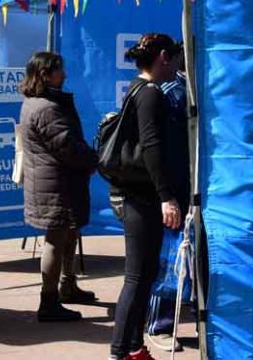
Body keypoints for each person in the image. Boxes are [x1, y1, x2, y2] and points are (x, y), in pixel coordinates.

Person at [109, 34, 183, 360]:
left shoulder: (138, 89)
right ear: (164, 57)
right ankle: (120, 351)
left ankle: (135, 349)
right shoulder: (150, 93)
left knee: (145, 275)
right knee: (137, 278)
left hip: (139, 196)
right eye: (177, 60)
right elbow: (152, 147)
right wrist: (167, 196)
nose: (179, 68)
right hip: (140, 197)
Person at [19, 52, 98, 323]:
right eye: (58, 71)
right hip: (56, 184)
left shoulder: (39, 103)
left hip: (56, 182)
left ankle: (67, 286)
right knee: (56, 238)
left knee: (68, 234)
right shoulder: (45, 108)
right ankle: (49, 300)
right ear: (44, 75)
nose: (63, 75)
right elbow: (68, 148)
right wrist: (94, 159)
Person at [146, 48, 190, 352]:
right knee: (170, 255)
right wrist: (168, 194)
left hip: (190, 184)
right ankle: (159, 324)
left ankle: (168, 319)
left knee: (183, 255)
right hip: (177, 187)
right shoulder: (172, 92)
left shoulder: (186, 89)